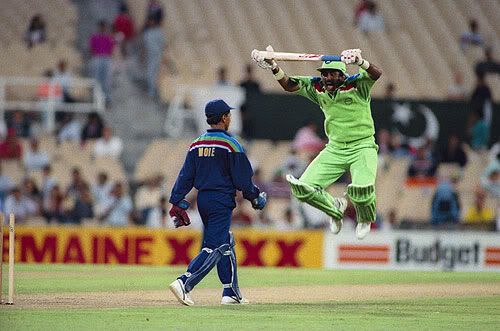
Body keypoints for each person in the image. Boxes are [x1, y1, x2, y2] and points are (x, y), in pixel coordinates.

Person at [252, 46, 382, 239]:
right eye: (324, 74)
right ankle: (335, 208)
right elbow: (289, 85)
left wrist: (360, 62)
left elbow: (376, 74)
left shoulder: (357, 84)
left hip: (362, 146)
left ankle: (365, 219)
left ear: (342, 74)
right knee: (302, 189)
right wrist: (273, 65)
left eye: (332, 74)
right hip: (335, 149)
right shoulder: (317, 87)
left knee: (362, 190)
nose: (327, 78)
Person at [168, 99, 267, 306]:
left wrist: (176, 199)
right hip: (221, 200)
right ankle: (184, 282)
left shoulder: (196, 144)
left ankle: (230, 292)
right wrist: (255, 198)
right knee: (215, 245)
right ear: (223, 118)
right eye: (228, 115)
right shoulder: (231, 144)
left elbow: (185, 175)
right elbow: (243, 180)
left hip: (203, 200)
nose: (230, 118)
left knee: (225, 240)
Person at [89, 21, 115, 103]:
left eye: (104, 27)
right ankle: (96, 97)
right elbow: (91, 48)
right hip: (97, 57)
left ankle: (107, 98)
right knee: (96, 79)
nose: (103, 29)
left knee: (107, 79)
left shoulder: (109, 37)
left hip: (106, 58)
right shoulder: (94, 37)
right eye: (101, 27)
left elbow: (112, 49)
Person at [143, 17, 165, 97]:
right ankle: (151, 91)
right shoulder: (147, 33)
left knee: (155, 74)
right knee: (150, 74)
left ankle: (155, 91)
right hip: (150, 56)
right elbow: (145, 46)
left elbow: (163, 45)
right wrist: (144, 56)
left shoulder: (159, 32)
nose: (150, 23)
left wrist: (162, 56)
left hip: (157, 56)